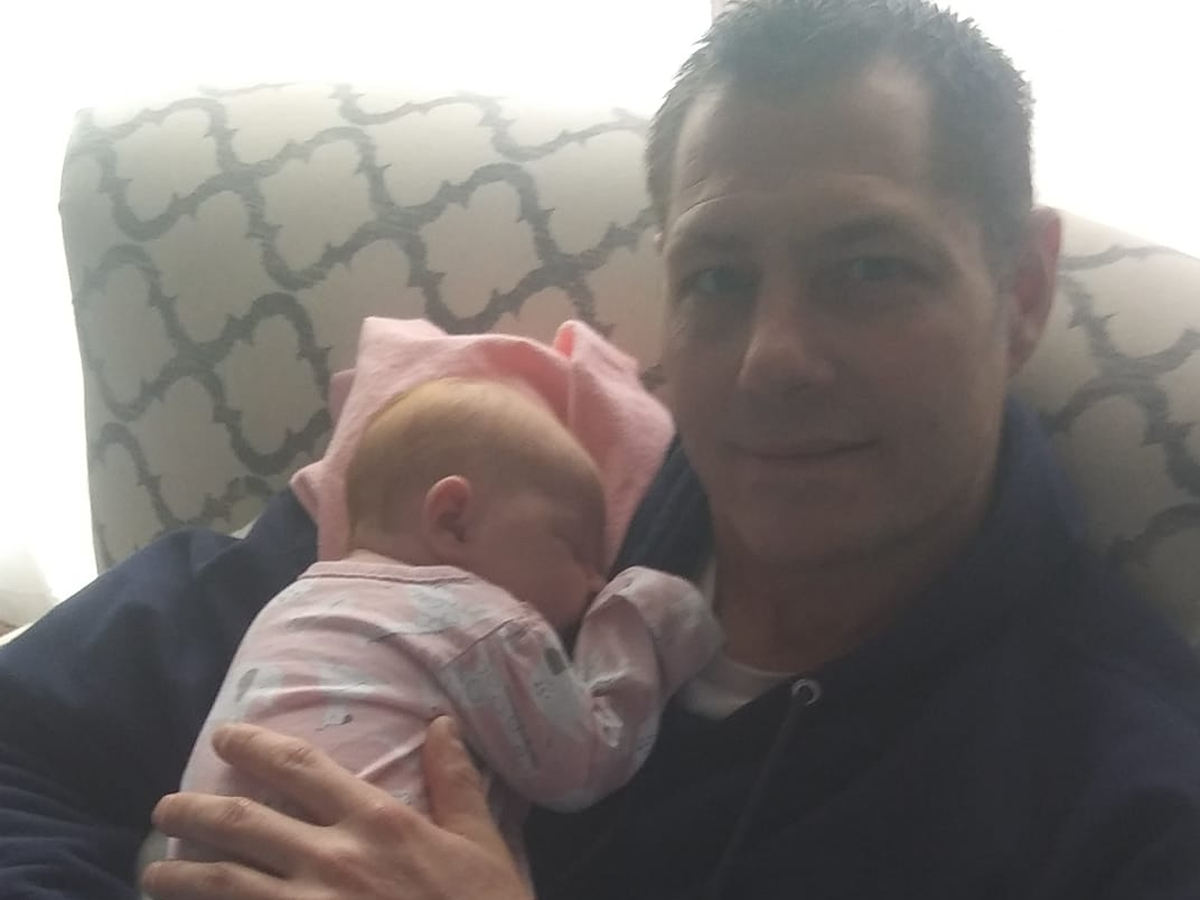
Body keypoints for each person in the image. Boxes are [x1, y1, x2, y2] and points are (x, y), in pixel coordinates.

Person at [1, 0, 1198, 898]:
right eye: (718, 278)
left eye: (870, 269)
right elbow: (29, 746)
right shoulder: (528, 476)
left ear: (1022, 291)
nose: (773, 359)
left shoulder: (1125, 809)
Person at [172, 377, 721, 873]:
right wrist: (641, 614)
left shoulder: (291, 602)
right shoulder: (486, 622)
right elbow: (586, 763)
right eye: (573, 546)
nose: (593, 582)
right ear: (453, 521)